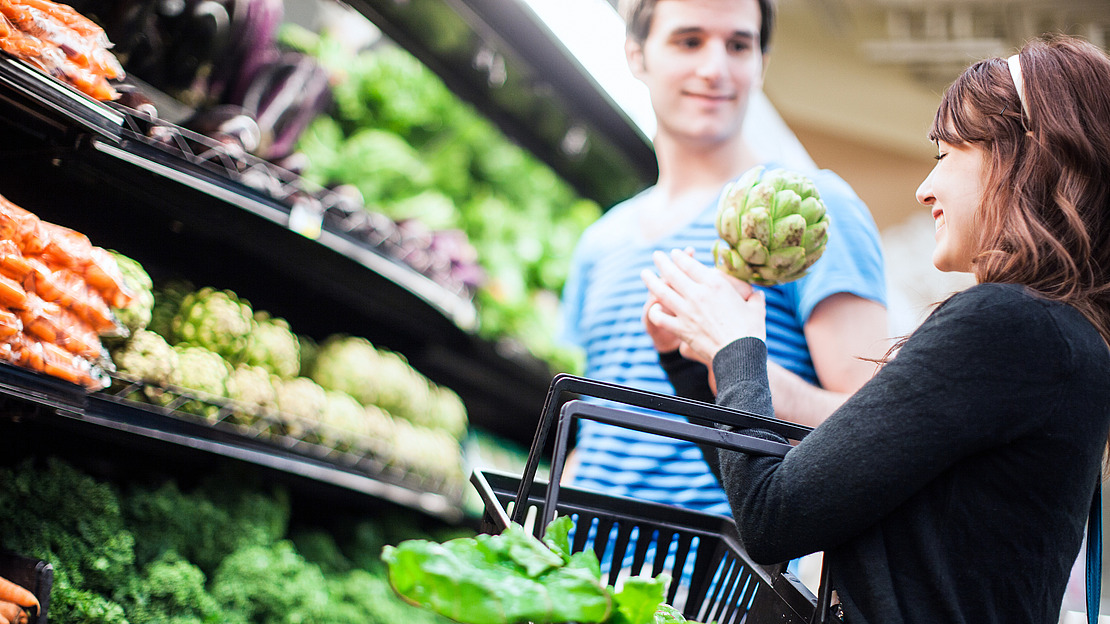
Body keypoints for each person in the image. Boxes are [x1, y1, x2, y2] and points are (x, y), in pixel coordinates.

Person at [642, 33, 1110, 623]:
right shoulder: (1056, 337)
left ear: (1023, 156)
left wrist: (737, 346)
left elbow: (771, 517)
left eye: (946, 154)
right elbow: (791, 492)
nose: (924, 188)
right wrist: (694, 362)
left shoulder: (1011, 324)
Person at [560, 0, 888, 516]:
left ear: (761, 63)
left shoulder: (810, 211)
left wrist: (742, 373)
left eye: (738, 45)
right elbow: (595, 432)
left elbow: (879, 429)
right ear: (636, 55)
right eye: (689, 41)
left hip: (722, 562)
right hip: (581, 556)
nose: (715, 68)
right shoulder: (600, 242)